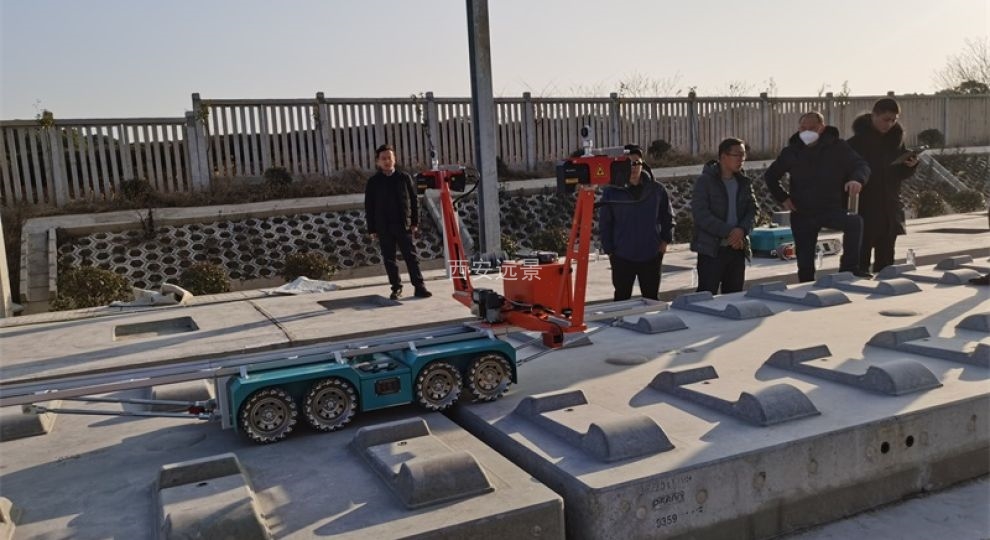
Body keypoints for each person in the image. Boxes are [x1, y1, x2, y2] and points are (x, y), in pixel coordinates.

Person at [764, 112, 871, 282]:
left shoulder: (838, 147)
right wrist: (783, 198)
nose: (807, 132)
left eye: (812, 128)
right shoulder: (792, 151)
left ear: (822, 128)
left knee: (854, 222)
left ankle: (849, 268)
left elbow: (861, 165)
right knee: (805, 261)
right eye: (803, 128)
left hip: (830, 208)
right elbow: (771, 176)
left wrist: (857, 179)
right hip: (802, 211)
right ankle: (805, 283)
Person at [847, 98, 920, 275]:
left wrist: (910, 166)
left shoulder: (895, 141)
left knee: (886, 261)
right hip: (865, 206)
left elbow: (898, 175)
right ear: (874, 115)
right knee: (860, 258)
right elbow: (845, 174)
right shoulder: (855, 143)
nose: (889, 124)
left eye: (893, 120)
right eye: (886, 119)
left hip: (889, 205)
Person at [598, 146, 674, 301]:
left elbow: (668, 217)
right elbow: (605, 223)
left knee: (651, 300)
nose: (633, 168)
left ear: (642, 164)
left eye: (636, 163)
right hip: (622, 256)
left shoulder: (657, 190)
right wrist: (610, 250)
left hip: (651, 255)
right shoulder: (612, 192)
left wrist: (665, 241)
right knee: (621, 299)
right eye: (628, 164)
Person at [691, 138, 758, 295]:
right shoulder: (705, 181)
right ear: (723, 156)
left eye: (743, 155)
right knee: (707, 296)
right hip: (712, 250)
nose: (741, 159)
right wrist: (729, 232)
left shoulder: (743, 182)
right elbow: (701, 214)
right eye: (737, 155)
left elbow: (753, 210)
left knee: (734, 296)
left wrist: (742, 230)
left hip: (737, 248)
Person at [364, 144, 431, 300]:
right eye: (383, 158)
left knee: (411, 257)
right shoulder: (373, 182)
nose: (387, 161)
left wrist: (414, 221)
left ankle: (419, 287)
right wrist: (372, 229)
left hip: (403, 224)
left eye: (389, 158)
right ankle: (396, 288)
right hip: (383, 226)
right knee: (389, 259)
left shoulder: (404, 178)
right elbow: (369, 206)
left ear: (394, 159)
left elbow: (413, 200)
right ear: (378, 162)